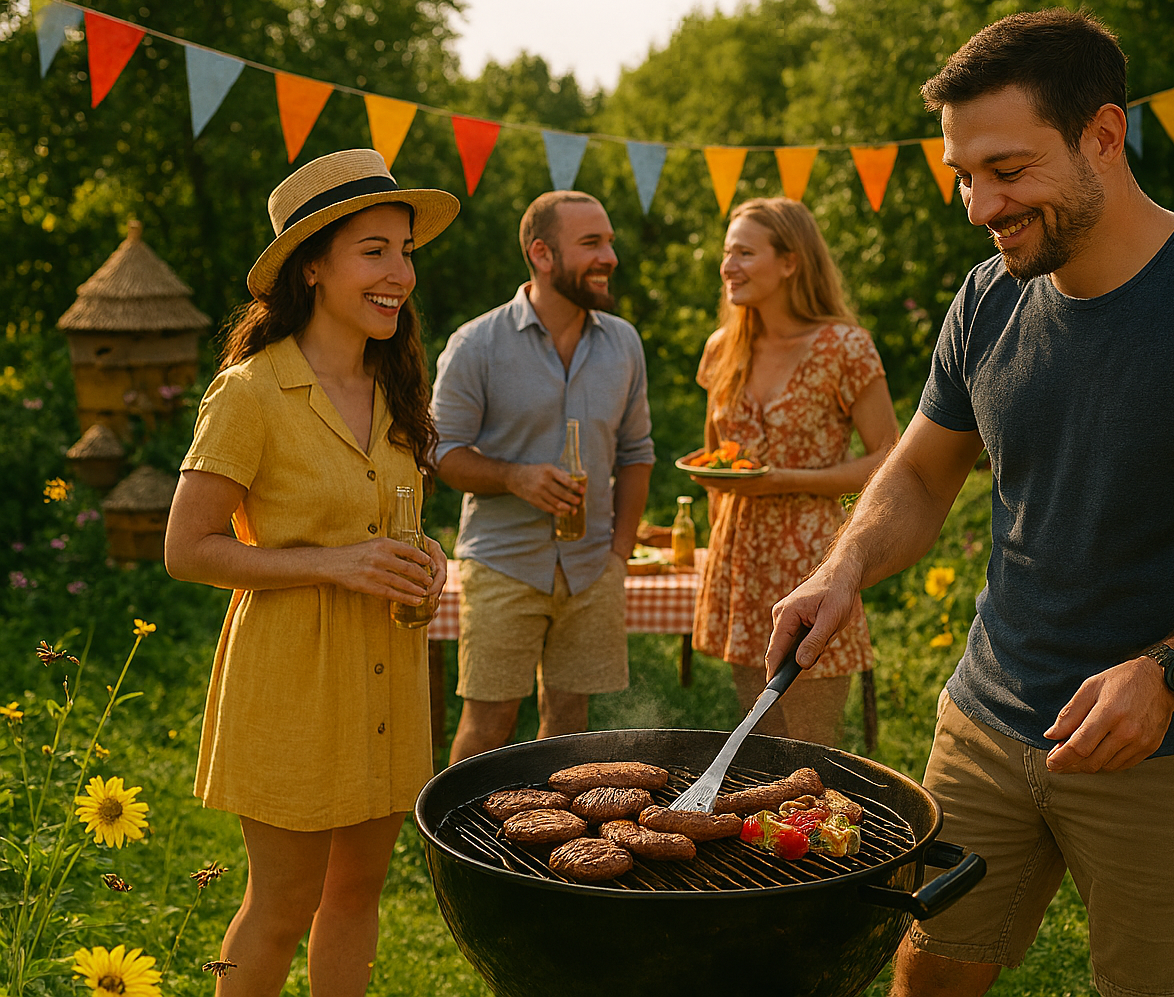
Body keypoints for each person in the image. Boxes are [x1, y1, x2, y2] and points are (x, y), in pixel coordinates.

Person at [767, 10, 1174, 997]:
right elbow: (919, 475)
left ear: (1103, 135)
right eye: (964, 175)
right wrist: (843, 569)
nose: (979, 205)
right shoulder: (988, 297)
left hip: (1171, 744)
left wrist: (1168, 672)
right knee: (925, 980)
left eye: (1006, 170)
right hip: (986, 718)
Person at [164, 148, 457, 997]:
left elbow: (384, 522)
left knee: (356, 894)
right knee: (283, 903)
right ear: (313, 267)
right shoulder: (250, 392)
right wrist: (337, 565)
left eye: (405, 252)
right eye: (375, 251)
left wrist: (427, 557)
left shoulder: (395, 384)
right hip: (292, 679)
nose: (400, 274)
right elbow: (187, 549)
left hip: (387, 672)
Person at [433, 190, 654, 763]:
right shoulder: (476, 344)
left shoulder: (623, 343)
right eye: (591, 243)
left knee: (570, 728)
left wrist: (619, 554)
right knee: (489, 726)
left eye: (609, 242)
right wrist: (514, 478)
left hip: (592, 568)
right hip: (503, 563)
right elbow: (442, 452)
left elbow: (637, 454)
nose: (609, 257)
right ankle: (458, 826)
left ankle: (546, 823)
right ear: (542, 254)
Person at [691, 197, 900, 747]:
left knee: (811, 747)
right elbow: (716, 455)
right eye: (727, 252)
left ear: (789, 262)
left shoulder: (844, 347)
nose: (728, 265)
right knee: (754, 742)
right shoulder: (722, 349)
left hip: (811, 563)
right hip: (739, 565)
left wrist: (787, 480)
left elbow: (889, 457)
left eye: (744, 253)